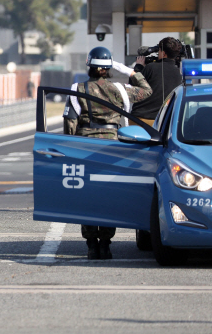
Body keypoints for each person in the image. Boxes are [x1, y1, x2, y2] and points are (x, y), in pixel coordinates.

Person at [63, 46, 152, 260]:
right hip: (113, 149)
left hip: (86, 150)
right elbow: (146, 90)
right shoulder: (120, 89)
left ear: (89, 66)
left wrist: (68, 150)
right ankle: (105, 244)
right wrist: (131, 70)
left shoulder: (78, 89)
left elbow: (70, 124)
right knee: (108, 197)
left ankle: (91, 244)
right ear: (109, 68)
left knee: (88, 198)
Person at [131, 37, 183, 126]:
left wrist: (138, 67)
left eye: (158, 50)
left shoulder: (151, 68)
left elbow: (133, 84)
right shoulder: (179, 73)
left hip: (141, 119)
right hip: (165, 122)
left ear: (163, 53)